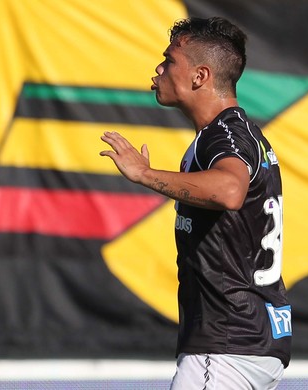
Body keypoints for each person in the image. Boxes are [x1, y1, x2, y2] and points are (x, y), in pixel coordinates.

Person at [100, 17, 291, 389]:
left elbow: (229, 191)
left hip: (225, 346)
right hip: (251, 342)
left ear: (200, 76)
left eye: (169, 60)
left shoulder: (225, 136)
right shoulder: (239, 134)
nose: (158, 69)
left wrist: (145, 174)